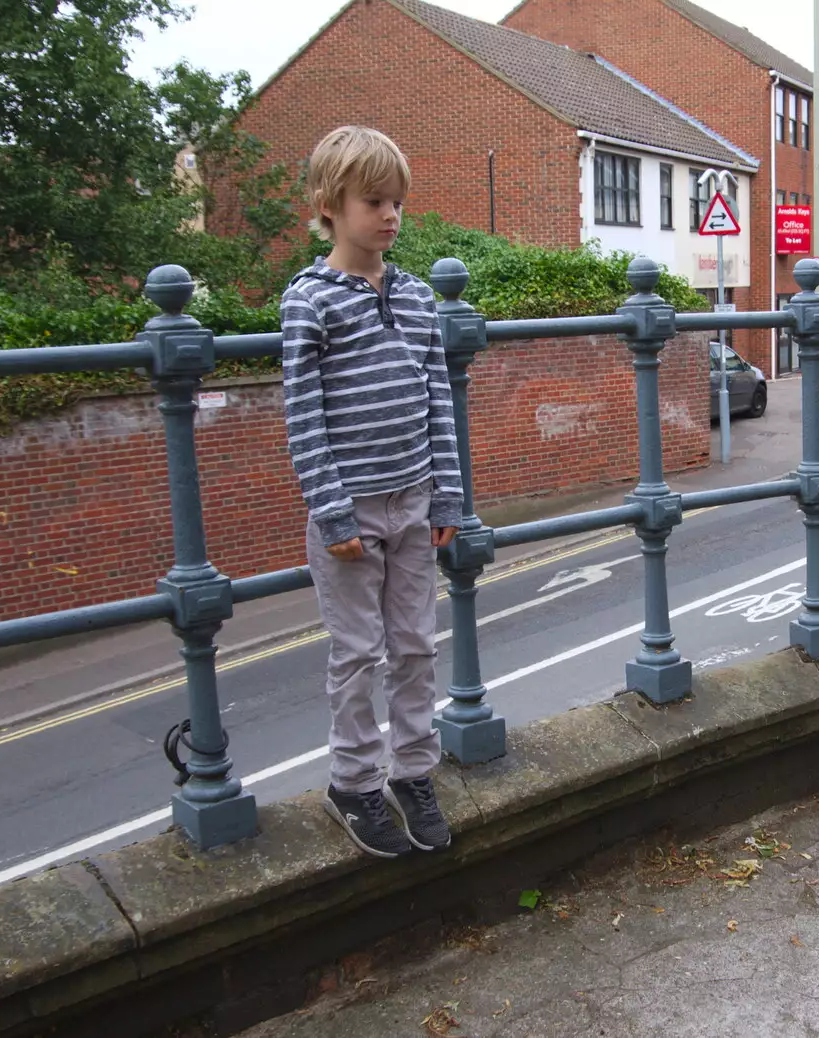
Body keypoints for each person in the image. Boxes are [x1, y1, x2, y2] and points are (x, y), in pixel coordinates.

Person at [280, 126, 462, 858]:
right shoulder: (310, 300)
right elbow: (302, 412)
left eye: (397, 202)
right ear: (330, 205)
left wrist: (447, 495)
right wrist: (329, 509)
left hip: (415, 497)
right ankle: (353, 783)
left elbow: (437, 400)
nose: (390, 215)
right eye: (374, 201)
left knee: (415, 645)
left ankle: (413, 771)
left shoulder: (417, 297)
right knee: (356, 653)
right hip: (350, 510)